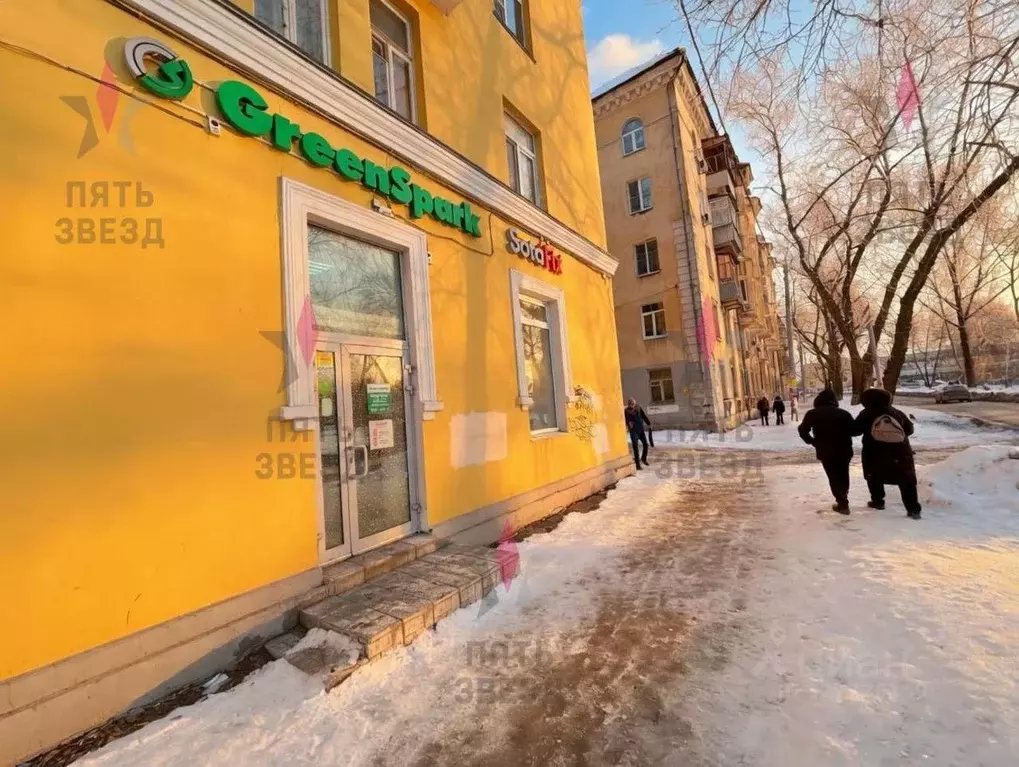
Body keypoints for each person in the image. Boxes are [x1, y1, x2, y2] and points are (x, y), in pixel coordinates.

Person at [853, 388, 922, 519]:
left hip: (875, 452)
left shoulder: (866, 413)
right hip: (900, 452)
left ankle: (878, 501)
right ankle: (913, 508)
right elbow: (909, 429)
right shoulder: (896, 412)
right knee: (906, 480)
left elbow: (855, 430)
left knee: (874, 476)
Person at [798, 389, 856, 513]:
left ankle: (842, 501)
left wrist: (813, 442)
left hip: (825, 450)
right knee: (843, 474)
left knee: (833, 475)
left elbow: (803, 430)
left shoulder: (812, 414)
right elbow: (854, 430)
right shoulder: (843, 414)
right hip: (844, 449)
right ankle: (843, 497)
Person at [624, 398, 652, 471]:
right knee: (635, 447)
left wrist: (649, 423)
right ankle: (638, 465)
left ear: (635, 403)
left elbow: (643, 416)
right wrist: (628, 423)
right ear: (629, 404)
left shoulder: (638, 407)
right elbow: (625, 420)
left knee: (645, 444)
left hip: (640, 430)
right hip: (633, 431)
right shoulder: (626, 411)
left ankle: (643, 458)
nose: (633, 405)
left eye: (634, 403)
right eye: (631, 404)